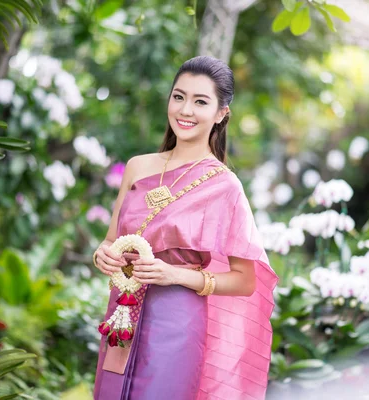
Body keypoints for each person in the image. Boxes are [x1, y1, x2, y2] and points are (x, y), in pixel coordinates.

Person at [92, 55, 278, 400]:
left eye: (200, 101)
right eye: (178, 97)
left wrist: (174, 275)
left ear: (222, 113)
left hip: (176, 316)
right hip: (123, 311)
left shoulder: (224, 186)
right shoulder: (138, 167)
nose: (185, 110)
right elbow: (110, 241)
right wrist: (103, 256)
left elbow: (245, 280)